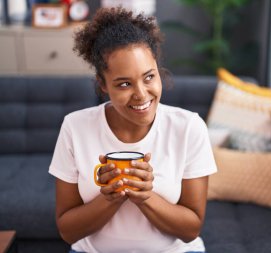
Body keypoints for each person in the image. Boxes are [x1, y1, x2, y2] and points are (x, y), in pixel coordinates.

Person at [48, 6, 217, 253]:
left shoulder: (189, 127)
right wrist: (110, 198)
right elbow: (68, 231)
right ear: (103, 85)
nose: (141, 94)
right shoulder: (75, 127)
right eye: (124, 83)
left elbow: (191, 230)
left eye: (149, 77)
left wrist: (146, 196)